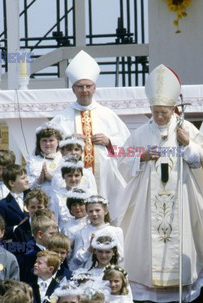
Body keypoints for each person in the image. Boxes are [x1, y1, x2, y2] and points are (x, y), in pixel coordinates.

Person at [117, 64, 203, 302]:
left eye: (164, 111)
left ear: (174, 108)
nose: (160, 116)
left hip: (182, 203)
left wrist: (188, 146)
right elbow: (121, 163)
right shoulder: (140, 134)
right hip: (146, 210)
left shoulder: (187, 130)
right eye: (156, 111)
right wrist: (139, 157)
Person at [49, 50, 130, 221]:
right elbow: (48, 150)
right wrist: (67, 141)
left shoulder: (108, 114)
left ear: (95, 87)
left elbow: (128, 145)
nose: (84, 90)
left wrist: (109, 141)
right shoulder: (61, 118)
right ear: (73, 89)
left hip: (104, 180)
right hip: (72, 182)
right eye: (80, 86)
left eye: (88, 86)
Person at [26, 122, 64, 198]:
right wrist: (39, 180)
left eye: (51, 140)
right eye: (44, 140)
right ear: (39, 143)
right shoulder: (32, 160)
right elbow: (28, 186)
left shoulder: (63, 159)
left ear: (58, 142)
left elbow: (69, 183)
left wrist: (51, 178)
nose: (47, 143)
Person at [0, 164, 30, 240]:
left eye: (26, 177)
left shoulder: (32, 198)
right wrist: (17, 227)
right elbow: (0, 230)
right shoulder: (2, 205)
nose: (27, 180)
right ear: (12, 183)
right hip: (16, 245)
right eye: (23, 178)